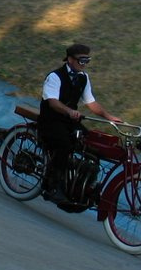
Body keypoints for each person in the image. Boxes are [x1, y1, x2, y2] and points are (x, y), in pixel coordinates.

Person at [37, 43, 119, 204]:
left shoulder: (83, 77)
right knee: (64, 145)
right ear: (69, 59)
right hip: (51, 120)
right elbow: (53, 102)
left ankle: (83, 183)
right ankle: (52, 185)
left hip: (69, 121)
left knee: (90, 143)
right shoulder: (54, 77)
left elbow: (91, 102)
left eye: (87, 61)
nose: (84, 64)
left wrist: (108, 116)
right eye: (81, 60)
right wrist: (69, 111)